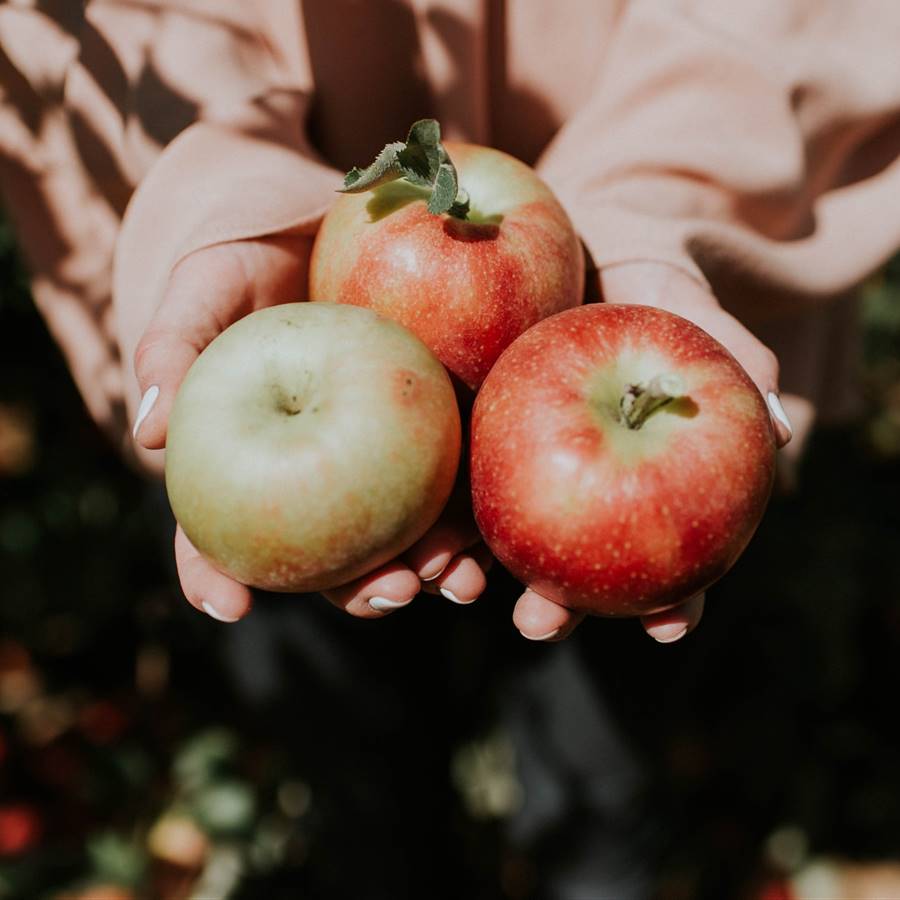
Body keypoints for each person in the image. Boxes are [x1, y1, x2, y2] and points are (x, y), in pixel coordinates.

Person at [2, 2, 899, 895]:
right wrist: (222, 181)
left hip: (643, 335)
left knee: (606, 783)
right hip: (280, 342)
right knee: (360, 779)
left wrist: (660, 199)